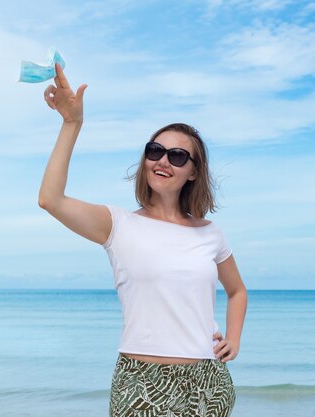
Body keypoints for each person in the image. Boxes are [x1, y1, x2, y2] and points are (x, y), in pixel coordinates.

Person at [38, 63, 247, 417]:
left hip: (207, 383)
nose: (163, 161)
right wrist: (72, 124)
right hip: (139, 383)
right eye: (155, 151)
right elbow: (50, 199)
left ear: (193, 171)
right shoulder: (116, 225)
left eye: (177, 156)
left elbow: (237, 291)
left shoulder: (211, 234)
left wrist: (234, 339)